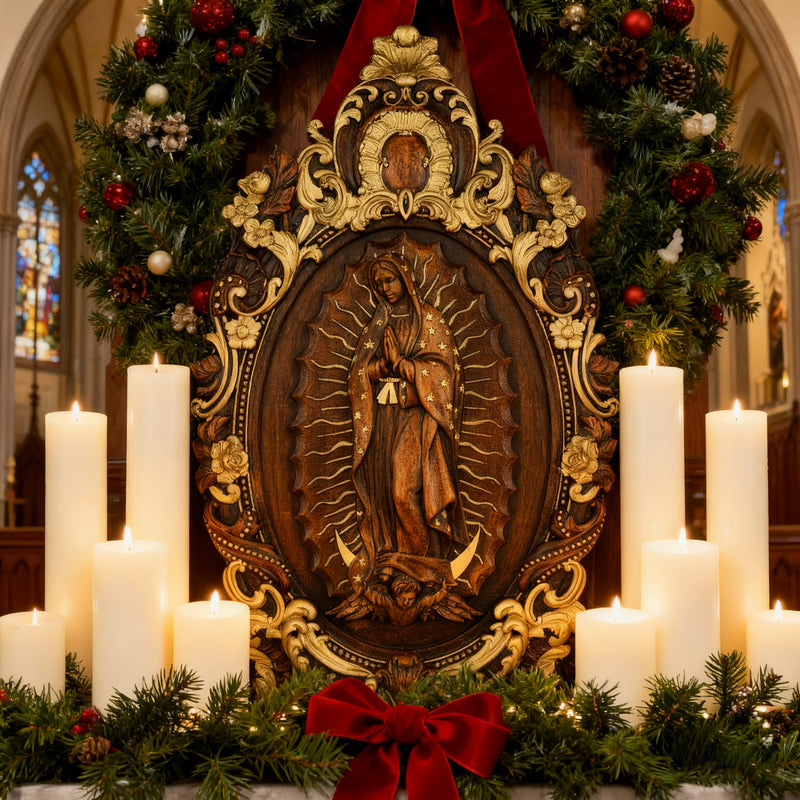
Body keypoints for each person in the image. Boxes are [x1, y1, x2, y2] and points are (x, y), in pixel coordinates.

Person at [346, 252, 468, 602]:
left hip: (416, 420)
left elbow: (444, 374)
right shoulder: (378, 322)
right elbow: (357, 374)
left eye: (390, 280)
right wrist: (378, 369)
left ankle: (419, 561)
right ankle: (391, 558)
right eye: (378, 283)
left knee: (404, 491)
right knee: (385, 493)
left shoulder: (429, 320)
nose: (385, 288)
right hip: (382, 421)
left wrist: (404, 366)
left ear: (405, 279)